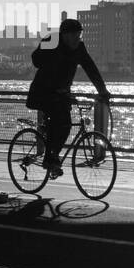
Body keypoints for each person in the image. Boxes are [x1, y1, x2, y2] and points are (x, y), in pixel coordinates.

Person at [26, 18, 111, 178]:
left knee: (65, 125)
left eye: (79, 35)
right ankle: (51, 158)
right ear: (64, 35)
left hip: (61, 93)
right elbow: (36, 60)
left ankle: (51, 156)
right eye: (74, 35)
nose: (77, 39)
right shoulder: (51, 41)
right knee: (60, 120)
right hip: (43, 92)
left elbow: (90, 68)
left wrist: (103, 90)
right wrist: (48, 53)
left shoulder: (79, 48)